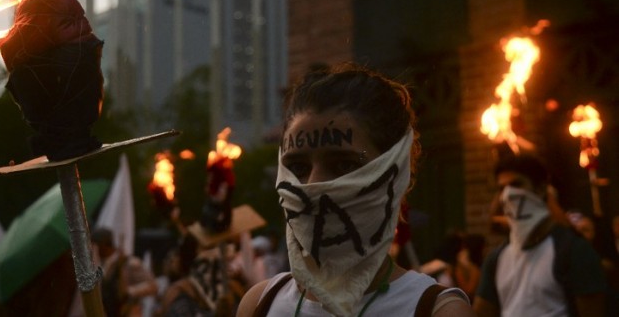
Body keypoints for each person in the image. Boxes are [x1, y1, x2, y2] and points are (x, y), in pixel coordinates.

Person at [237, 63, 474, 316]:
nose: (313, 185)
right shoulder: (260, 304)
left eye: (344, 164)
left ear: (394, 175)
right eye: (298, 166)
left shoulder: (435, 310)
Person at [474, 153, 608, 317]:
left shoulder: (574, 251)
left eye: (517, 185)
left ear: (541, 189)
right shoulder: (496, 259)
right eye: (502, 188)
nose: (509, 195)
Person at [91, 227, 158, 317]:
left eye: (97, 245)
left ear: (104, 245)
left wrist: (129, 292)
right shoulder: (100, 264)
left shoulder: (129, 263)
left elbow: (152, 286)